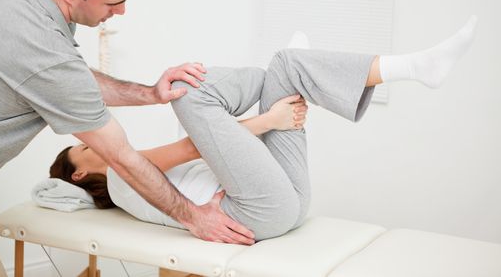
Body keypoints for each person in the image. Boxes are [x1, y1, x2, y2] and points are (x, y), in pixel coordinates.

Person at [0, 0, 253, 276]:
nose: (121, 11)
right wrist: (195, 218)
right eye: (112, 3)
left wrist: (151, 94)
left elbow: (70, 78)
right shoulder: (44, 55)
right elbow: (120, 158)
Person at [50, 16, 477, 240]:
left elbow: (217, 144)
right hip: (256, 211)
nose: (90, 142)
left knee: (286, 65)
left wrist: (270, 115)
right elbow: (191, 147)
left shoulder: (132, 174)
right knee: (185, 90)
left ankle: (410, 66)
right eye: (83, 150)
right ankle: (293, 74)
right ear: (81, 173)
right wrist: (271, 120)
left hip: (280, 201)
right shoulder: (125, 178)